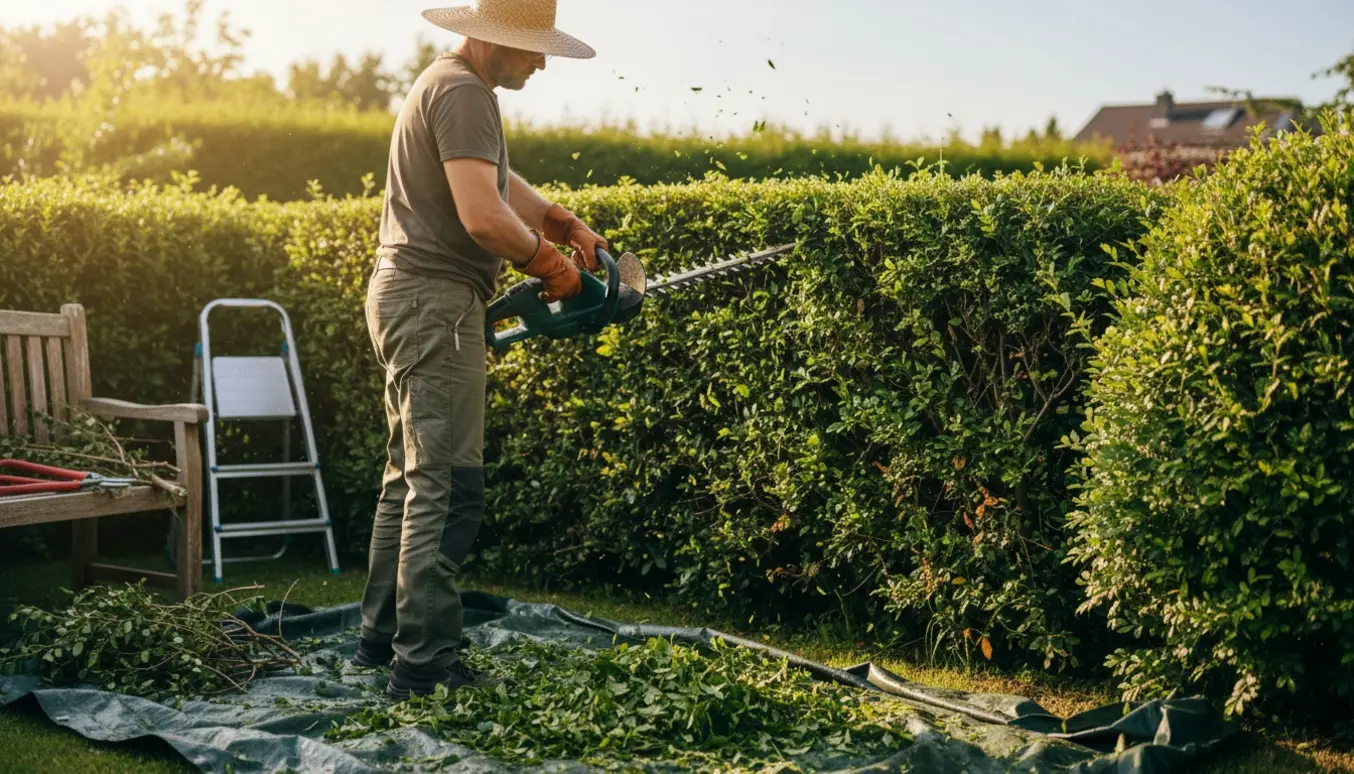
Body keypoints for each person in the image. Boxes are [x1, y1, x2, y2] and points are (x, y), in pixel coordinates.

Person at [350, 0, 608, 700]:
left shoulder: (449, 84)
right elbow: (483, 216)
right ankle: (426, 662)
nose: (541, 62)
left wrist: (563, 222)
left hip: (407, 294)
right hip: (434, 300)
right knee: (448, 484)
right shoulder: (465, 91)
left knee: (407, 477)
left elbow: (496, 184)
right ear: (492, 39)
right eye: (532, 48)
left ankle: (379, 639)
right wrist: (554, 268)